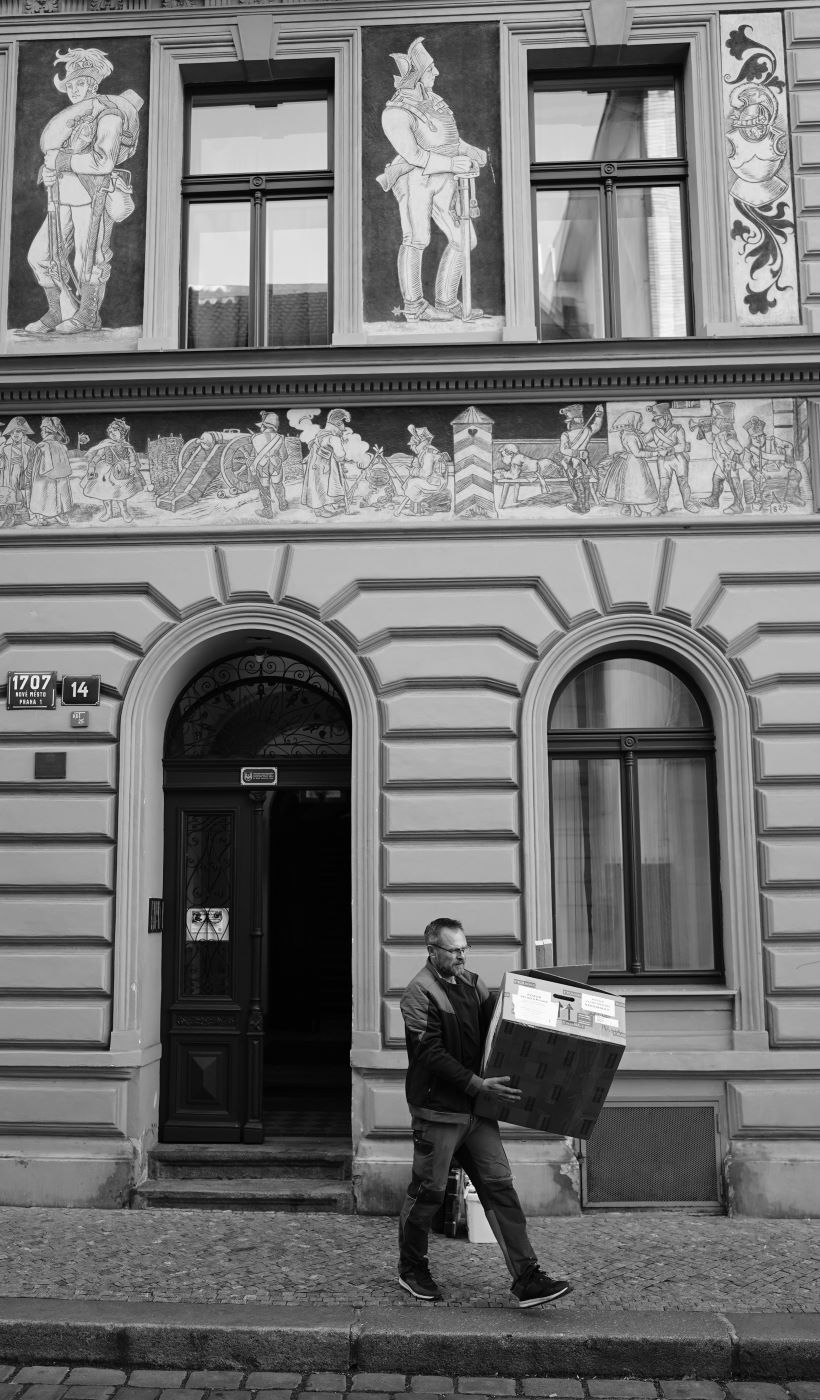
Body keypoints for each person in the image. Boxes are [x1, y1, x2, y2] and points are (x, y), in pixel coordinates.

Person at [398, 918, 572, 1308]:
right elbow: (430, 1054)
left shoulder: (474, 985)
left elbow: (502, 1025)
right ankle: (411, 1269)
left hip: (477, 1112)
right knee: (428, 1192)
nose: (462, 956)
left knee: (500, 1187)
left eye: (465, 948)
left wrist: (541, 1001)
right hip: (439, 1113)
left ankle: (527, 1278)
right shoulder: (417, 993)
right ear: (432, 951)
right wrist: (477, 1084)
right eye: (454, 950)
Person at [25, 48, 142, 336]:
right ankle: (58, 311)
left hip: (93, 194)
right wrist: (49, 171)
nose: (75, 90)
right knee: (40, 255)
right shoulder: (73, 118)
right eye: (71, 85)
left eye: (81, 83)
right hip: (62, 195)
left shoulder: (109, 115)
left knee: (88, 259)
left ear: (93, 84)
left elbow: (103, 162)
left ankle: (88, 315)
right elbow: (58, 156)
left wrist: (62, 161)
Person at [377, 37, 487, 323]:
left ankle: (446, 300)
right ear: (415, 76)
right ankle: (414, 305)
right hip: (415, 179)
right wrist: (451, 162)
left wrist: (468, 149)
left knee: (464, 239)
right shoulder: (395, 113)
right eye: (430, 69)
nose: (436, 73)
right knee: (417, 238)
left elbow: (449, 140)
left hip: (445, 178)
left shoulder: (434, 101)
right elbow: (413, 154)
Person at [81, 417, 143, 523]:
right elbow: (98, 456)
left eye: (115, 431)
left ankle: (124, 512)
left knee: (122, 494)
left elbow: (132, 457)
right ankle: (108, 512)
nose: (112, 433)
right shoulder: (106, 443)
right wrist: (92, 465)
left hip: (121, 470)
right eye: (110, 431)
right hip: (105, 471)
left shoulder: (126, 445)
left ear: (122, 433)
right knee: (105, 494)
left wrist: (132, 467)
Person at [599, 411, 658, 517]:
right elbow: (637, 453)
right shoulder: (630, 436)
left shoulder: (633, 434)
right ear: (632, 421)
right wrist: (655, 453)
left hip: (634, 462)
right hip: (632, 463)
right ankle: (636, 512)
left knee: (632, 489)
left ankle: (635, 511)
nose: (641, 423)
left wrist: (656, 449)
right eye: (639, 421)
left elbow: (643, 446)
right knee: (632, 487)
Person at [645, 402, 699, 515]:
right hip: (663, 461)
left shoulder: (678, 428)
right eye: (655, 420)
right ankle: (662, 506)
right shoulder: (653, 431)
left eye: (659, 419)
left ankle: (687, 503)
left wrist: (669, 450)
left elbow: (682, 446)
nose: (657, 422)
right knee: (664, 484)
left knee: (683, 482)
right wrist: (654, 449)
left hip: (678, 458)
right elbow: (642, 442)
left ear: (667, 417)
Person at [558, 403, 604, 514]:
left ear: (571, 422)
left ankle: (580, 506)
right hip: (584, 461)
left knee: (576, 483)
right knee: (585, 482)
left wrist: (576, 453)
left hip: (572, 462)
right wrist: (599, 415)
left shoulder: (566, 434)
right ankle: (586, 505)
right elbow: (597, 426)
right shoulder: (587, 431)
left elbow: (563, 450)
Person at [28, 416, 73, 526]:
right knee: (58, 494)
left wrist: (30, 473)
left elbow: (34, 464)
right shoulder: (61, 446)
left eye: (42, 430)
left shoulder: (42, 445)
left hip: (43, 477)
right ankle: (58, 515)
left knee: (42, 494)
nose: (41, 432)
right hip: (59, 477)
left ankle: (40, 518)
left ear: (45, 431)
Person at [250, 410, 288, 519]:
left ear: (263, 426)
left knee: (264, 488)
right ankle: (283, 504)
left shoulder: (255, 438)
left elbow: (254, 455)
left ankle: (268, 511)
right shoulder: (280, 438)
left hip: (262, 466)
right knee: (278, 485)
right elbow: (284, 455)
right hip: (276, 466)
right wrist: (277, 459)